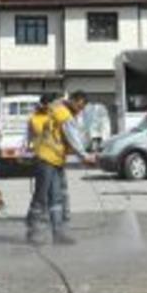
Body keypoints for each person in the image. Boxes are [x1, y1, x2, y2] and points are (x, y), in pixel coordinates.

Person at [26, 90, 97, 245]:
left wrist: (81, 154)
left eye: (82, 108)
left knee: (56, 198)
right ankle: (33, 232)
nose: (80, 110)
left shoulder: (59, 110)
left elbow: (66, 140)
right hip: (46, 158)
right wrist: (84, 156)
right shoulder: (64, 114)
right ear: (73, 100)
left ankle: (58, 234)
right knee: (41, 196)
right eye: (79, 106)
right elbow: (73, 139)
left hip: (55, 160)